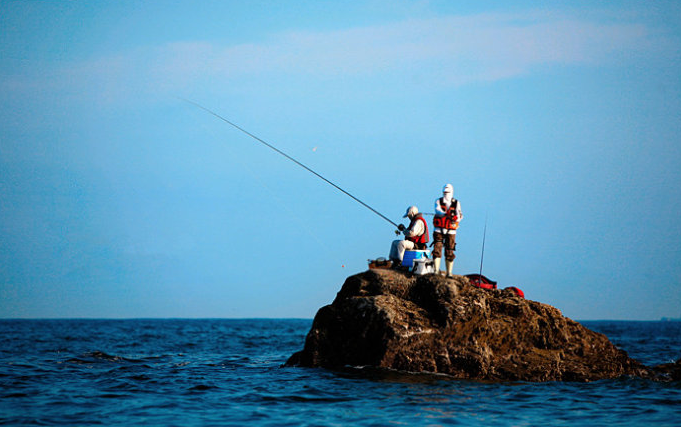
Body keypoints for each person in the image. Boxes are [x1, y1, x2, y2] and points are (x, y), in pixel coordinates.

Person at [432, 184, 462, 277]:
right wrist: (445, 214)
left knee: (450, 250)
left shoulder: (456, 203)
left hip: (451, 230)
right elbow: (437, 210)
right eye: (444, 192)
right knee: (437, 248)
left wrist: (456, 217)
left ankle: (449, 272)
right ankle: (436, 270)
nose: (446, 194)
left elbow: (460, 215)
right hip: (438, 229)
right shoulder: (438, 201)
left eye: (448, 192)